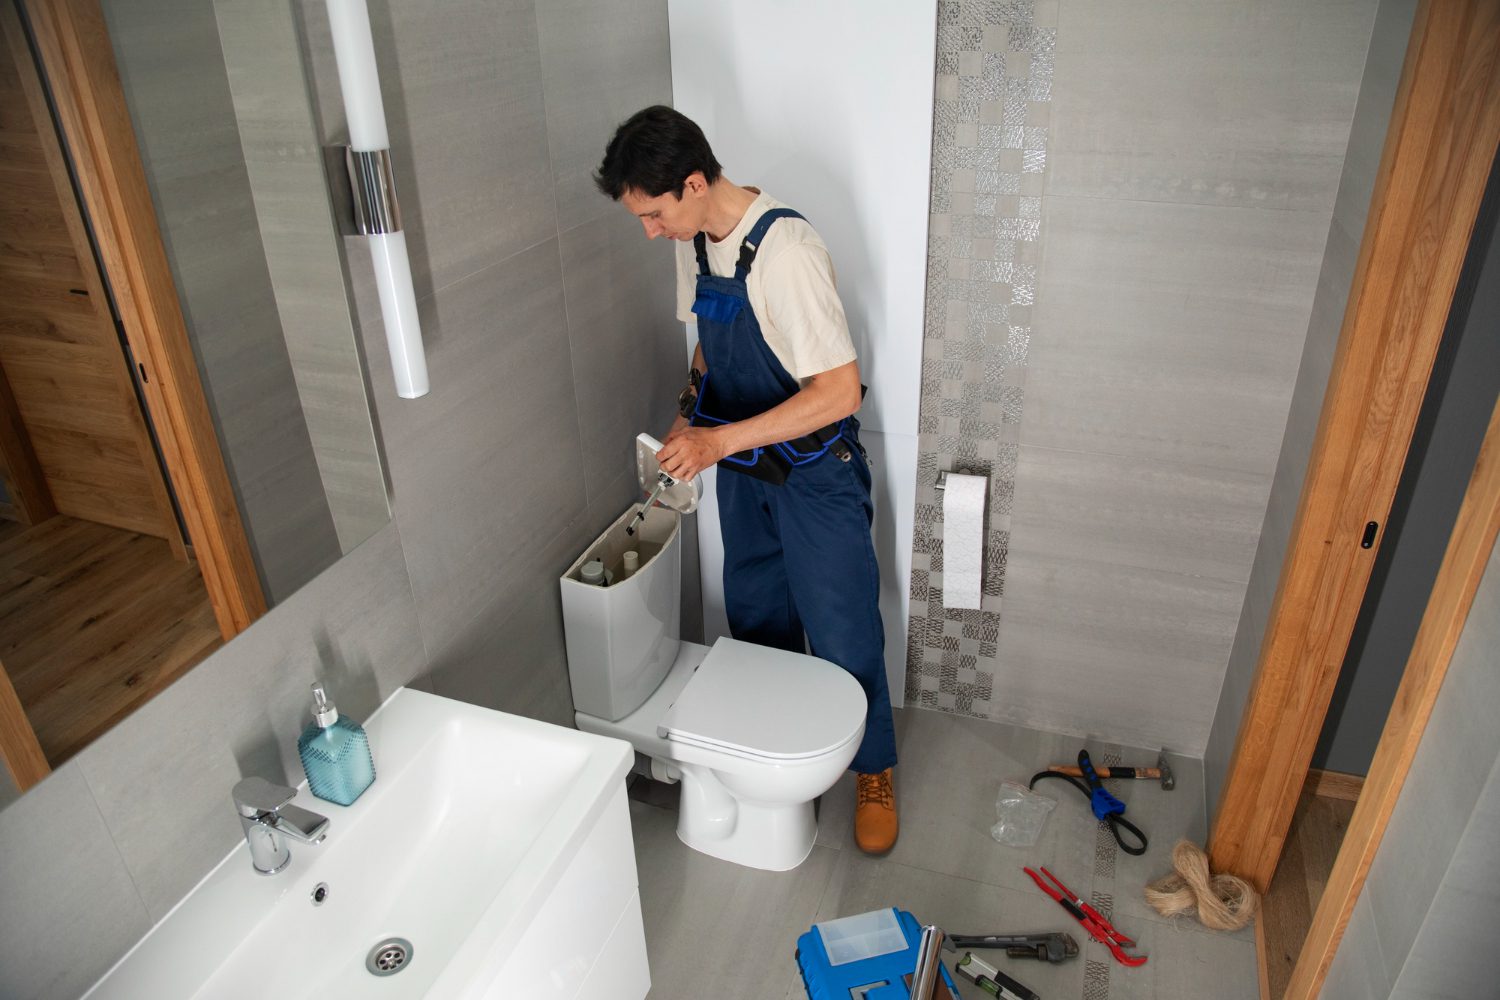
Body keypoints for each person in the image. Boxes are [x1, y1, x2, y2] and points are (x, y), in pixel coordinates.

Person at [594, 105, 898, 855]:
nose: (649, 230)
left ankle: (874, 769)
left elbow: (839, 391)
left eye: (654, 212)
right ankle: (779, 747)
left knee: (842, 626)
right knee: (757, 618)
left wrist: (717, 439)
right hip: (745, 477)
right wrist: (684, 417)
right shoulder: (692, 238)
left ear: (695, 183)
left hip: (815, 476)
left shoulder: (785, 249)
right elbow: (709, 348)